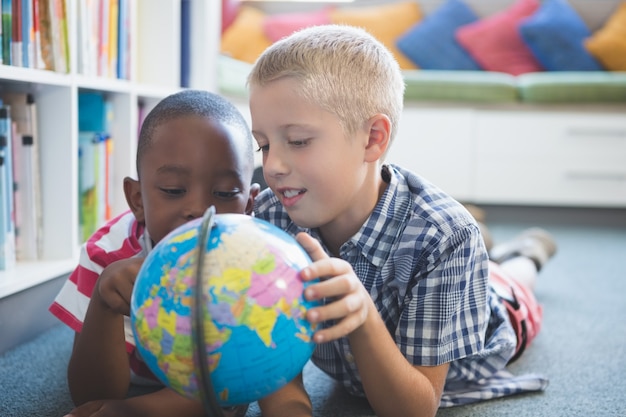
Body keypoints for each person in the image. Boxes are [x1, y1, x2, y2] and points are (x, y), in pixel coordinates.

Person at [247, 25, 556, 417]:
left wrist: (363, 315)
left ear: (373, 138)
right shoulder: (270, 217)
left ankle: (528, 254)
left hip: (496, 318)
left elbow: (414, 409)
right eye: (264, 144)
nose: (271, 166)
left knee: (511, 282)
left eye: (298, 141)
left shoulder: (447, 238)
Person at [49, 90, 260, 417]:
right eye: (174, 191)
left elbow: (234, 393)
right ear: (137, 199)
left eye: (225, 193)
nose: (199, 210)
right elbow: (90, 395)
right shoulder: (108, 254)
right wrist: (104, 302)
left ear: (248, 206)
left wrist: (137, 411)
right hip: (134, 371)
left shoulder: (256, 259)